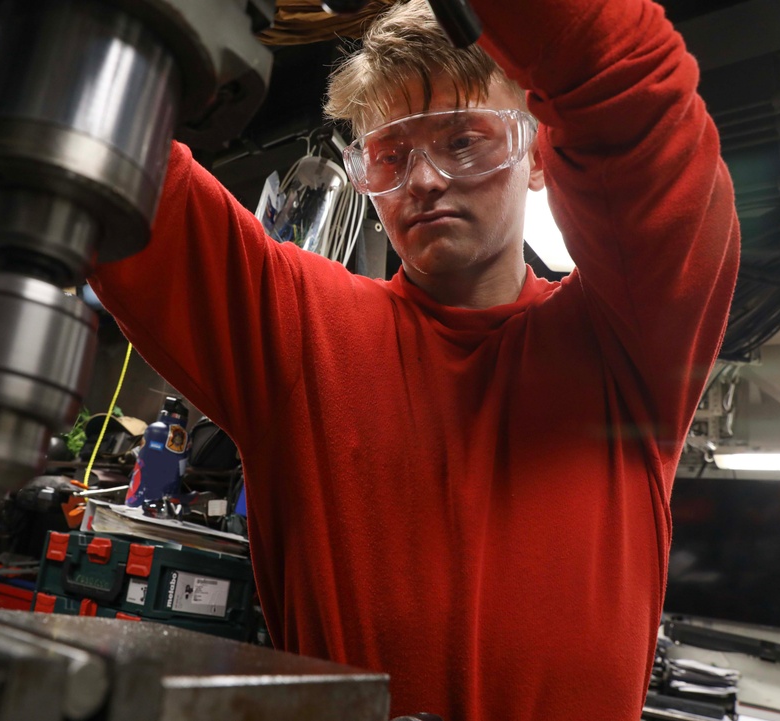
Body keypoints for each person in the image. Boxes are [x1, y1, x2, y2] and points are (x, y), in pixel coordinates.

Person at [90, 0, 740, 718]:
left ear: (537, 156)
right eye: (391, 156)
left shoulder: (628, 343)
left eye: (465, 141)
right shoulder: (297, 331)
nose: (424, 180)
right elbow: (110, 163)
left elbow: (635, 94)